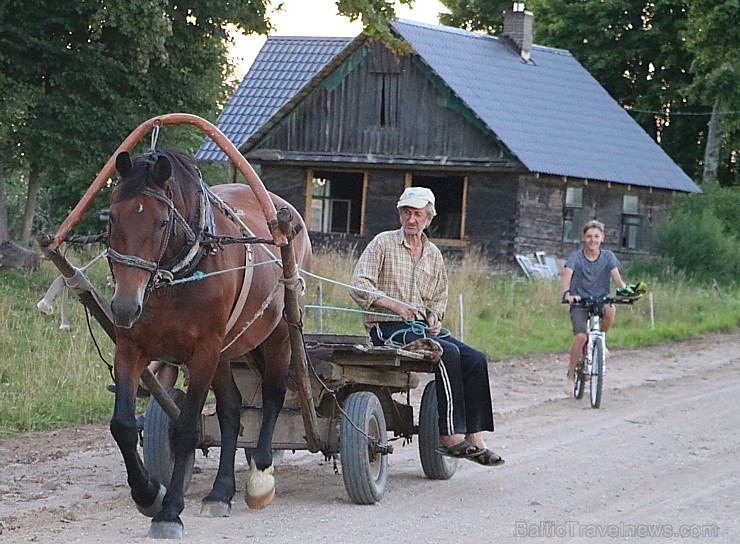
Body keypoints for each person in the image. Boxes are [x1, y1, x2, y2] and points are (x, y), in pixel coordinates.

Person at [350, 187, 504, 467]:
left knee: (476, 358)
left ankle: (475, 437)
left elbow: (439, 297)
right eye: (406, 212)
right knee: (447, 353)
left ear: (428, 218)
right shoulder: (383, 243)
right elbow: (359, 285)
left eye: (417, 214)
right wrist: (395, 306)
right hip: (388, 328)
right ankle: (449, 437)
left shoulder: (433, 254)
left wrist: (435, 319)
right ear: (400, 214)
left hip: (421, 328)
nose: (411, 219)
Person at [561, 220, 626, 397]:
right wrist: (567, 293)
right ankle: (571, 375)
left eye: (596, 236)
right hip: (579, 301)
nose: (592, 240)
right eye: (589, 236)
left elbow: (618, 280)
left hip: (600, 299)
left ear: (602, 238)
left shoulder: (608, 257)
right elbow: (567, 275)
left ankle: (601, 340)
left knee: (610, 310)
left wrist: (625, 291)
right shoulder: (576, 257)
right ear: (583, 238)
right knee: (581, 336)